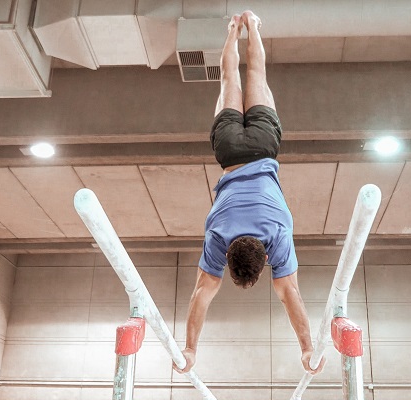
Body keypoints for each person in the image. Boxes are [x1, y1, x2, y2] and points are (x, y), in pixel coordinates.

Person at [173, 10, 325, 376]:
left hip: (263, 145)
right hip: (227, 151)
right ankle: (232, 30)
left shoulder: (278, 235)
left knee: (257, 75)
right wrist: (188, 349)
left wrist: (308, 349)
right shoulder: (217, 237)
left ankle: (253, 26)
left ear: (265, 259)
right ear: (229, 253)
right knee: (230, 79)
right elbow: (200, 297)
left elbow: (291, 296)